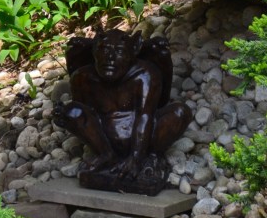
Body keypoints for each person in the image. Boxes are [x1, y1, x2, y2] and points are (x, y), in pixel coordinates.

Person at [53, 28, 191, 194]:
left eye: (118, 51)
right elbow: (85, 115)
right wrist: (65, 116)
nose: (110, 58)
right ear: (95, 51)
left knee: (180, 112)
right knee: (70, 111)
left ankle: (150, 157)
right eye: (104, 50)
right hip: (104, 139)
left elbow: (145, 116)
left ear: (133, 52)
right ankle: (106, 156)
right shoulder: (82, 77)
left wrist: (136, 157)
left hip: (145, 138)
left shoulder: (145, 74)